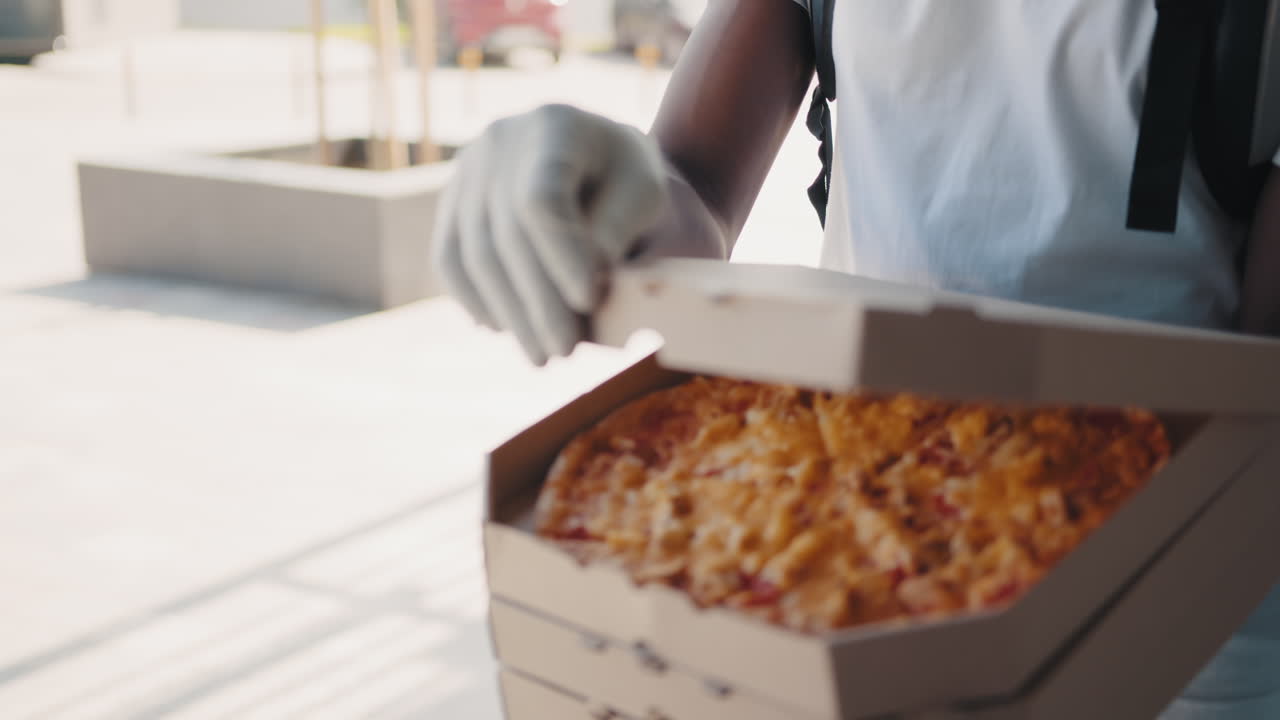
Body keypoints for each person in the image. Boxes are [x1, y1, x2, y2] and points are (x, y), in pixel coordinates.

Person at [431, 1, 1280, 717]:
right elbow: (693, 186)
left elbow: (1263, 363)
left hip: (1178, 585)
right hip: (838, 534)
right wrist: (603, 193)